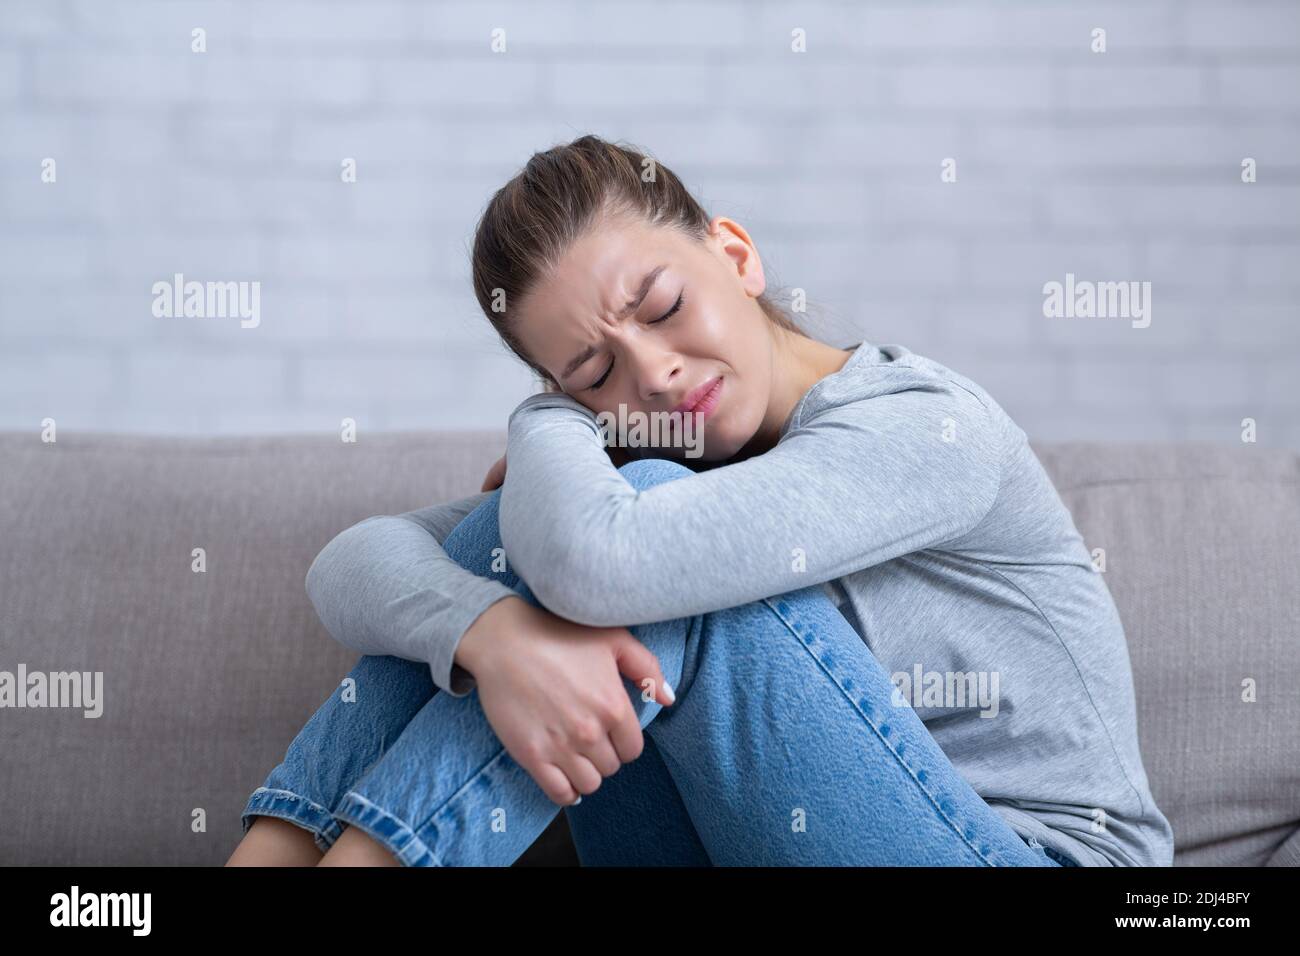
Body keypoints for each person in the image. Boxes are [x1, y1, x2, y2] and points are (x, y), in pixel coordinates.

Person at [226, 135, 1173, 867]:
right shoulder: (664, 459)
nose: (657, 372)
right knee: (506, 549)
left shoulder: (923, 428)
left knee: (622, 534)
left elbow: (605, 561)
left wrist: (548, 421)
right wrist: (488, 639)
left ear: (735, 254)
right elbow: (351, 562)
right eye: (596, 369)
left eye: (665, 306)